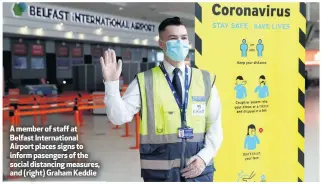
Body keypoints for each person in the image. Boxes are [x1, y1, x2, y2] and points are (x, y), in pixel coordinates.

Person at [101, 17, 223, 182]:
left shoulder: (206, 80)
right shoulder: (145, 81)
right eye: (173, 38)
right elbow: (118, 117)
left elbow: (215, 127)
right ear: (161, 44)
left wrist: (204, 157)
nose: (180, 43)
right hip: (160, 174)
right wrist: (111, 84)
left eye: (184, 38)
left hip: (198, 172)